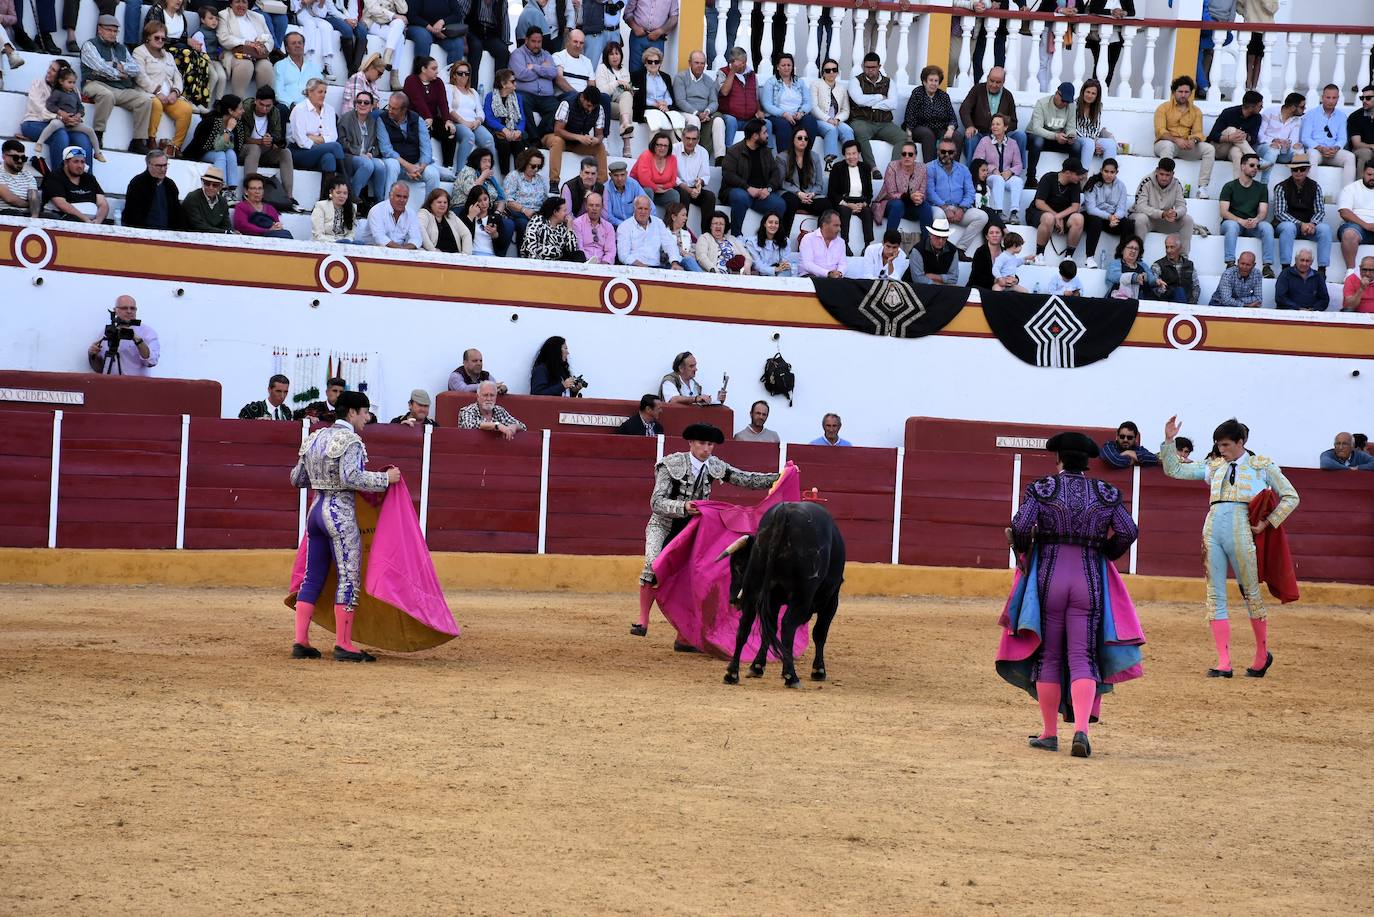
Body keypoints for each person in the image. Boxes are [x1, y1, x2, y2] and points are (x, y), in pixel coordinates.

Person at [1003, 431, 1141, 759]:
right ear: (1088, 462)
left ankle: (1050, 733)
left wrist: (1025, 552)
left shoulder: (1042, 488)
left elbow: (1020, 526)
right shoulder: (1106, 492)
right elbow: (1128, 531)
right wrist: (1105, 552)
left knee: (1049, 655)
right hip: (1088, 577)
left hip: (1050, 575)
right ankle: (1081, 730)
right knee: (1083, 656)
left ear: (1058, 459)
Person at [1161, 415, 1298, 678]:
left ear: (1240, 442)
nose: (1220, 450)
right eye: (1218, 445)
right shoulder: (1214, 466)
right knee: (1214, 594)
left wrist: (1268, 522)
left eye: (1225, 445)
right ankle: (1224, 662)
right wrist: (1168, 441)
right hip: (1212, 527)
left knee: (1250, 592)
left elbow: (1292, 496)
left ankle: (1261, 656)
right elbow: (1175, 470)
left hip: (1242, 529)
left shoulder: (1262, 465)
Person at [632, 421, 778, 639]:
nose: (707, 449)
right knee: (653, 566)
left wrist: (778, 478)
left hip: (693, 529)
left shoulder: (714, 465)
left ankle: (685, 635)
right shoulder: (670, 464)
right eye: (702, 443)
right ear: (691, 443)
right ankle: (643, 620)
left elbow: (745, 478)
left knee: (695, 576)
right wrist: (683, 507)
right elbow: (656, 502)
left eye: (710, 444)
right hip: (663, 524)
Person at [288, 389, 402, 662]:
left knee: (312, 576)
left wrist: (321, 478)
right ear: (352, 412)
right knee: (348, 577)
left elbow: (297, 479)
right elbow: (352, 477)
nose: (367, 418)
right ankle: (343, 644)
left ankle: (301, 641)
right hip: (339, 515)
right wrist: (386, 479)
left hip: (315, 512)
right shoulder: (351, 441)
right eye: (364, 413)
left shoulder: (314, 438)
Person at [80, 15, 154, 156]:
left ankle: (138, 141)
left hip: (120, 88)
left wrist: (120, 67)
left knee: (145, 100)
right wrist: (119, 72)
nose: (113, 34)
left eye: (115, 31)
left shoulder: (121, 48)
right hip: (95, 83)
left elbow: (135, 68)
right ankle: (98, 134)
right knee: (106, 95)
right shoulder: (89, 45)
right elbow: (100, 67)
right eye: (109, 30)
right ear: (99, 29)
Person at [20, 61, 94, 170]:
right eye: (50, 68)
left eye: (53, 70)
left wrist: (76, 117)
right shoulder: (38, 84)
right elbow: (40, 110)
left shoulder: (72, 90)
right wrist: (60, 117)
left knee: (83, 138)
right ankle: (59, 178)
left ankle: (87, 181)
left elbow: (78, 107)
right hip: (34, 122)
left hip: (65, 125)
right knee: (60, 134)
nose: (48, 71)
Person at [1153, 75, 1214, 199]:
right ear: (1174, 92)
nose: (1183, 95)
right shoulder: (1163, 108)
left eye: (1186, 92)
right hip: (1165, 144)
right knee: (1168, 146)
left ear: (1191, 93)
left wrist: (1193, 140)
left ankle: (1202, 187)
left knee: (1209, 149)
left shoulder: (1196, 111)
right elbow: (1161, 131)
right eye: (1180, 91)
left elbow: (1198, 132)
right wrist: (1176, 140)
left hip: (1186, 146)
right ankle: (1163, 186)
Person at [847, 53, 906, 178]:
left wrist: (870, 104)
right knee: (859, 133)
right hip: (862, 121)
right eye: (867, 67)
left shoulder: (889, 82)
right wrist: (880, 97)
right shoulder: (855, 81)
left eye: (873, 67)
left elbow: (893, 104)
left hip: (885, 123)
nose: (870, 70)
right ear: (863, 66)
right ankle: (873, 169)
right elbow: (859, 100)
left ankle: (893, 170)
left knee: (903, 137)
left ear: (879, 66)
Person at [1271, 152, 1330, 276]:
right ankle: (1285, 267)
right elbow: (1280, 213)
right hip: (1288, 226)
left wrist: (1312, 224)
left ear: (1308, 170)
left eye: (1302, 169)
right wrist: (1300, 224)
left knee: (1325, 229)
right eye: (1294, 169)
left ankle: (1322, 269)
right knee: (1288, 226)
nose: (1298, 172)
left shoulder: (1315, 187)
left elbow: (1320, 211)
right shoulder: (1281, 187)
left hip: (1308, 227)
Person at [928, 137, 988, 258]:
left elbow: (970, 192)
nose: (946, 154)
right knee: (939, 217)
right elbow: (929, 192)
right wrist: (945, 208)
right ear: (938, 151)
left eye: (950, 152)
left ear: (955, 153)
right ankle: (939, 249)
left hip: (959, 207)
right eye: (943, 151)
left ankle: (960, 249)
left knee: (982, 216)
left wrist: (962, 208)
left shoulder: (963, 169)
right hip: (939, 206)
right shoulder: (929, 167)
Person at [1219, 152, 1275, 277]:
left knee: (1267, 227)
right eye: (1252, 165)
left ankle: (1267, 266)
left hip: (1251, 224)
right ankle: (1230, 263)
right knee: (1232, 226)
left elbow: (1263, 212)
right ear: (1242, 166)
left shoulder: (1261, 188)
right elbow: (1223, 212)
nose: (1255, 168)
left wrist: (1256, 219)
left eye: (1257, 166)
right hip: (1233, 223)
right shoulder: (1229, 186)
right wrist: (1240, 221)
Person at [378, 91, 441, 199]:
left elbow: (426, 148)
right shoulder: (382, 119)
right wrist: (408, 166)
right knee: (392, 165)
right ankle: (387, 205)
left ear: (404, 110)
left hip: (416, 165)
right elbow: (386, 149)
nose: (390, 110)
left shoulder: (417, 119)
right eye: (389, 106)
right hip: (397, 164)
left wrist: (419, 168)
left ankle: (428, 212)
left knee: (433, 174)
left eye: (394, 108)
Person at [240, 87, 296, 208]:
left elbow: (277, 134)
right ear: (255, 101)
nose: (264, 109)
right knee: (254, 149)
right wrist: (261, 141)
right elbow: (242, 138)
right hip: (245, 149)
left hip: (264, 150)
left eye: (268, 106)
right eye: (261, 104)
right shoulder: (245, 110)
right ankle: (247, 193)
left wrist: (273, 141)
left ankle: (289, 196)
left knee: (285, 152)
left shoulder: (275, 112)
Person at [960, 66, 1025, 168]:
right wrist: (969, 126)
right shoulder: (977, 89)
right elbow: (964, 109)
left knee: (1021, 136)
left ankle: (1016, 169)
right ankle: (972, 172)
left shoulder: (1008, 95)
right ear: (987, 78)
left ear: (1003, 82)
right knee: (970, 138)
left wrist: (1002, 129)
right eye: (991, 81)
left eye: (998, 82)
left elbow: (1014, 121)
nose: (994, 85)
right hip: (980, 133)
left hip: (1002, 136)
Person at [547, 86, 609, 193]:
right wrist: (579, 137)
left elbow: (600, 134)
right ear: (582, 98)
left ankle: (601, 185)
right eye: (589, 105)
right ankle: (554, 182)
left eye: (593, 107)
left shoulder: (599, 109)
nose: (590, 109)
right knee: (558, 141)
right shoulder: (567, 103)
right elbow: (557, 130)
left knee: (600, 146)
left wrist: (596, 140)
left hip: (576, 142)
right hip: (552, 136)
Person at [37, 63, 103, 163]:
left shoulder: (74, 94)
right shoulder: (57, 93)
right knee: (53, 124)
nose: (72, 85)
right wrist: (60, 113)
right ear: (61, 81)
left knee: (89, 130)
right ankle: (39, 143)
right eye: (69, 82)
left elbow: (80, 107)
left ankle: (97, 153)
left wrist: (78, 115)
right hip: (62, 121)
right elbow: (50, 105)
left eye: (74, 82)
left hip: (73, 123)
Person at [184, 94, 246, 196]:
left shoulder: (238, 124)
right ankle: (222, 188)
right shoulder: (211, 122)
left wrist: (228, 135)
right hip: (202, 152)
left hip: (221, 151)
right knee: (221, 154)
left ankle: (232, 190)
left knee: (230, 153)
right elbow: (215, 147)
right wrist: (228, 130)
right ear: (230, 111)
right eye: (240, 109)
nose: (243, 111)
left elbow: (236, 148)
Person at [1130, 158, 1195, 255]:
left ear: (1173, 174)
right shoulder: (1146, 181)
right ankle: (1138, 256)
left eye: (1167, 175)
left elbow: (1182, 206)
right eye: (1161, 174)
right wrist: (1162, 214)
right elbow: (1140, 206)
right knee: (1140, 218)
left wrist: (1175, 213)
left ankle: (1183, 258)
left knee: (1188, 220)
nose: (1164, 178)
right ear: (1157, 171)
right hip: (1148, 219)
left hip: (1165, 220)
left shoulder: (1177, 184)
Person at [511, 27, 565, 141]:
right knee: (521, 101)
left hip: (546, 96)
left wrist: (535, 67)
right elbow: (521, 74)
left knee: (557, 107)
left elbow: (553, 73)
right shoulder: (517, 54)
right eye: (533, 41)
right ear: (526, 40)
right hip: (526, 94)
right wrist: (543, 69)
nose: (536, 45)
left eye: (539, 42)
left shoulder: (546, 55)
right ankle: (533, 138)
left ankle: (539, 136)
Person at [1028, 158, 1086, 264]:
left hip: (1061, 215)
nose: (1081, 177)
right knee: (1049, 218)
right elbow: (1039, 203)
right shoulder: (1048, 178)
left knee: (1079, 218)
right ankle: (1039, 254)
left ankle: (1068, 257)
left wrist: (1059, 216)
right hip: (1039, 213)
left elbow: (1075, 207)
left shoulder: (1075, 183)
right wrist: (1056, 216)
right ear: (1068, 172)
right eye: (1078, 174)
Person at [217, 0, 276, 101]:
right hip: (235, 53)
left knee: (266, 67)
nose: (241, 5)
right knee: (245, 65)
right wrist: (246, 42)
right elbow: (223, 38)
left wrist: (263, 46)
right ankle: (238, 102)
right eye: (237, 2)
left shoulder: (258, 17)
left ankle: (264, 103)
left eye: (244, 2)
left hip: (257, 54)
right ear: (231, 4)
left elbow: (269, 38)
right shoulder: (223, 15)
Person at [761, 53, 818, 155]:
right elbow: (767, 105)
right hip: (778, 116)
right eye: (783, 65)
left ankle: (805, 154)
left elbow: (808, 102)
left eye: (789, 65)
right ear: (778, 67)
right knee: (783, 125)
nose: (786, 68)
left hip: (797, 116)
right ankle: (785, 159)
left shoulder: (799, 82)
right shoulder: (771, 82)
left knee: (810, 121)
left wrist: (801, 112)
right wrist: (784, 114)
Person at [287, 78, 345, 178]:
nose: (323, 95)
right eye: (320, 92)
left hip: (319, 150)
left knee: (329, 158)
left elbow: (333, 136)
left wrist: (314, 138)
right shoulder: (299, 110)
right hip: (299, 152)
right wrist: (322, 143)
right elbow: (301, 141)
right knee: (335, 147)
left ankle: (327, 192)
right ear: (310, 92)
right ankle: (346, 183)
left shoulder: (330, 110)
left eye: (325, 92)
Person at [404, 55, 455, 168]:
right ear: (423, 69)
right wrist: (427, 117)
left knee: (449, 131)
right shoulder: (411, 80)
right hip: (413, 117)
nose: (437, 71)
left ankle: (448, 167)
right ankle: (423, 162)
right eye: (433, 68)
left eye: (437, 68)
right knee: (424, 128)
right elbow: (418, 100)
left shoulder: (438, 83)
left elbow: (443, 103)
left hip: (432, 118)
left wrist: (447, 120)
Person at [1302, 83, 1356, 189]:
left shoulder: (1341, 116)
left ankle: (1346, 194)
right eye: (1328, 97)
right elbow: (1305, 138)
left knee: (1350, 157)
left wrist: (1335, 148)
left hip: (1333, 151)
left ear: (1338, 99)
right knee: (1312, 155)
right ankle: (1312, 193)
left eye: (1334, 98)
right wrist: (1320, 148)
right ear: (1322, 97)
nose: (1331, 101)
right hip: (1317, 150)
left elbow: (1342, 138)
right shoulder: (1311, 114)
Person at [87, 295, 158, 375]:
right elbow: (99, 369)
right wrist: (93, 355)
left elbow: (152, 362)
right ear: (115, 310)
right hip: (109, 384)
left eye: (132, 308)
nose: (129, 311)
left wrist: (137, 340)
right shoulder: (106, 332)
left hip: (135, 385)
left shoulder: (147, 332)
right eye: (124, 308)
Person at [874, 140, 932, 237]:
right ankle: (889, 240)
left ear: (915, 156)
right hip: (890, 205)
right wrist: (909, 197)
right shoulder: (892, 166)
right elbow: (891, 193)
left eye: (910, 154)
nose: (907, 157)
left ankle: (927, 245)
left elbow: (923, 191)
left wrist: (919, 198)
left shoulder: (922, 168)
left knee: (926, 207)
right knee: (898, 204)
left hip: (911, 206)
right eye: (904, 154)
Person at [826, 139, 874, 254]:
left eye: (854, 153)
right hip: (844, 201)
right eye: (848, 154)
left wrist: (863, 204)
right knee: (844, 211)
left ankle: (867, 245)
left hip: (860, 201)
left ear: (859, 154)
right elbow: (832, 192)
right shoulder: (837, 168)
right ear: (844, 155)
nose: (851, 157)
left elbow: (869, 193)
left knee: (867, 212)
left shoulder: (865, 168)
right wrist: (848, 204)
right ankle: (844, 244)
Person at [974, 114, 1024, 224]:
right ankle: (999, 211)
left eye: (998, 124)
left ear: (1005, 127)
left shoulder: (1012, 143)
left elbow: (1019, 164)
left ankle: (1014, 213)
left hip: (1006, 176)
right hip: (990, 176)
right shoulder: (985, 141)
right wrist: (992, 169)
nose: (994, 127)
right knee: (998, 179)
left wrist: (1010, 171)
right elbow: (977, 161)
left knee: (1018, 181)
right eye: (993, 124)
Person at [339, 89, 388, 204]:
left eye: (366, 103)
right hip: (349, 156)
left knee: (380, 166)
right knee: (368, 165)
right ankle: (352, 197)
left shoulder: (373, 121)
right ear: (355, 104)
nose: (362, 105)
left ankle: (378, 202)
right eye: (359, 102)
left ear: (371, 106)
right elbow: (341, 142)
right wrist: (359, 153)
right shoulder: (346, 118)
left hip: (367, 156)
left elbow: (377, 144)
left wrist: (372, 153)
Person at [446, 60, 493, 174]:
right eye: (460, 73)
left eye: (466, 73)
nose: (464, 76)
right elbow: (449, 109)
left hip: (474, 123)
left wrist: (477, 121)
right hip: (457, 122)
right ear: (454, 75)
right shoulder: (449, 88)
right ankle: (460, 173)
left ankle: (487, 173)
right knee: (469, 136)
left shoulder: (473, 91)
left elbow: (480, 112)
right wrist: (463, 122)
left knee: (489, 140)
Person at [903, 65, 957, 164]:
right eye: (931, 80)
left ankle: (950, 167)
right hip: (920, 128)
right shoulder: (918, 93)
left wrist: (950, 129)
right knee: (928, 135)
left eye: (936, 81)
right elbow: (909, 116)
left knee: (957, 136)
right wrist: (909, 135)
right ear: (924, 82)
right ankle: (930, 168)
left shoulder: (943, 96)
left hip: (940, 128)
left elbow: (952, 117)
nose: (933, 83)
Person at [1025, 82, 1076, 186]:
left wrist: (1071, 135)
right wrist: (1055, 136)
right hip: (1035, 137)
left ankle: (1072, 179)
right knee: (1038, 141)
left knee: (1077, 145)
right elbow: (1037, 128)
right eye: (1063, 100)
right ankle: (1030, 179)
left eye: (1068, 101)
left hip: (1057, 138)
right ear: (1057, 93)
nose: (1065, 103)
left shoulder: (1071, 106)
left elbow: (1071, 126)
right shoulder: (1042, 103)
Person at [41, 146, 108, 224]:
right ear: (66, 163)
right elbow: (61, 204)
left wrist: (98, 221)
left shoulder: (90, 178)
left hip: (92, 223)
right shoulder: (54, 177)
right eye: (76, 162)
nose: (80, 166)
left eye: (82, 162)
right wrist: (85, 219)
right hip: (62, 221)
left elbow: (103, 204)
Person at [122, 149, 185, 231]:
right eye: (159, 166)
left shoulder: (170, 185)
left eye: (165, 165)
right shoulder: (138, 183)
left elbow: (177, 214)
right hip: (142, 233)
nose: (163, 169)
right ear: (148, 164)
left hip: (168, 234)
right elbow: (133, 214)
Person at [1081, 158, 1127, 269]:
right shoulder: (1092, 182)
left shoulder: (1121, 186)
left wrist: (1115, 218)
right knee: (1096, 220)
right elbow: (1091, 209)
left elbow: (1121, 208)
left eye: (1112, 172)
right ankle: (1090, 257)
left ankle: (1121, 258)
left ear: (1117, 172)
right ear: (1101, 170)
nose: (1109, 175)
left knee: (1128, 224)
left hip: (1110, 218)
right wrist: (1109, 217)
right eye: (1106, 171)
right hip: (1091, 216)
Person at [808, 57, 853, 169]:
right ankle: (830, 162)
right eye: (828, 70)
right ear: (823, 72)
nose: (831, 72)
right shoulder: (815, 84)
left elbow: (846, 110)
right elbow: (813, 107)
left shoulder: (841, 88)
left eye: (834, 70)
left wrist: (837, 119)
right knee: (831, 129)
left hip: (836, 120)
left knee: (848, 130)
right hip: (820, 120)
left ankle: (851, 161)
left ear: (837, 72)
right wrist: (828, 119)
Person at [1207, 89, 1263, 176]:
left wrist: (1246, 136)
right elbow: (1213, 135)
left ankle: (1239, 185)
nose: (1261, 108)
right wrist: (1229, 138)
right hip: (1219, 149)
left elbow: (1254, 139)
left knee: (1237, 153)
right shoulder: (1228, 113)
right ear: (1252, 107)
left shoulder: (1257, 118)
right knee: (1232, 130)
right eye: (1260, 106)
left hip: (1233, 150)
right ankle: (1256, 159)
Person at [617, 194, 680, 268]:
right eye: (640, 208)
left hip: (656, 267)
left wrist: (674, 262)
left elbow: (669, 243)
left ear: (650, 210)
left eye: (646, 209)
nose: (643, 212)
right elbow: (623, 255)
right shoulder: (624, 226)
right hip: (634, 267)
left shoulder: (658, 223)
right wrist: (641, 266)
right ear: (634, 209)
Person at [673, 126, 717, 232]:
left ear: (698, 139)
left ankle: (706, 235)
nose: (690, 142)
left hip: (694, 188)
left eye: (694, 139)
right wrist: (688, 189)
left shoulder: (703, 152)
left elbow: (705, 175)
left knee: (710, 196)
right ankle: (682, 232)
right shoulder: (674, 149)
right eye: (688, 138)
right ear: (682, 137)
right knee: (683, 194)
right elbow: (672, 175)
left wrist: (699, 183)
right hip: (678, 186)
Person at [596, 42, 636, 157]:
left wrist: (630, 90)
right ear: (606, 56)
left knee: (628, 95)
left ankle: (625, 124)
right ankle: (627, 145)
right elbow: (601, 92)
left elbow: (625, 92)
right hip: (606, 105)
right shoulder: (602, 68)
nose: (615, 57)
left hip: (621, 105)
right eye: (611, 54)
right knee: (627, 110)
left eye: (617, 53)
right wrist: (617, 83)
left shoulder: (624, 70)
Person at [1257, 91, 1306, 182]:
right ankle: (1264, 183)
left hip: (1283, 152)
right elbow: (1259, 135)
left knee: (1299, 151)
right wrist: (1273, 141)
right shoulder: (1270, 112)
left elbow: (1293, 141)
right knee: (1273, 150)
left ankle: (1299, 184)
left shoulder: (1297, 120)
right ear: (1292, 108)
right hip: (1264, 148)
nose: (1304, 109)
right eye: (1302, 107)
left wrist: (1289, 144)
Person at [503, 147, 549, 242]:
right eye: (533, 166)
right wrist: (524, 210)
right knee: (525, 225)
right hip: (518, 214)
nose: (536, 169)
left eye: (538, 166)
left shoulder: (540, 180)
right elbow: (508, 201)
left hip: (536, 214)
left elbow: (545, 200)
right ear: (524, 163)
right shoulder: (513, 176)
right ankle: (524, 255)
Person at [358, 181, 422, 248]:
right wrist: (401, 249)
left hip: (400, 252)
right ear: (390, 195)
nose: (402, 200)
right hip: (372, 250)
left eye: (405, 197)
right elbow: (380, 238)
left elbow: (417, 239)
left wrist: (403, 249)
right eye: (398, 196)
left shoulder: (411, 213)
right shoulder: (377, 210)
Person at [1337, 163, 1374, 278]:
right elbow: (1344, 212)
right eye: (1369, 174)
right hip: (1356, 226)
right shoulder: (1351, 188)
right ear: (1363, 172)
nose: (1372, 177)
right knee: (1349, 234)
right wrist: (1366, 225)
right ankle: (1350, 272)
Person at [521, 195, 585, 261]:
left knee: (579, 254)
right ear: (555, 212)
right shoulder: (537, 221)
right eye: (564, 210)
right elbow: (530, 245)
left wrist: (570, 228)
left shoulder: (562, 227)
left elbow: (572, 249)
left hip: (557, 261)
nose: (566, 214)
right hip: (538, 260)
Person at [1072, 77, 1115, 172]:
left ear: (1097, 96)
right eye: (1088, 92)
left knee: (1111, 143)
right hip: (1077, 138)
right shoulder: (1075, 104)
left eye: (1093, 93)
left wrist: (1095, 142)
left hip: (1091, 139)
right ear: (1083, 91)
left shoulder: (1098, 106)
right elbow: (1074, 127)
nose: (1090, 95)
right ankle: (1083, 174)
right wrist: (1093, 143)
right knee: (1089, 142)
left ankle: (1107, 175)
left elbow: (1095, 128)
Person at [361, 0, 407, 89]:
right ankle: (394, 77)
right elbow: (372, 9)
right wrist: (393, 15)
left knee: (400, 23)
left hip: (388, 23)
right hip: (372, 22)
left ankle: (387, 56)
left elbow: (403, 10)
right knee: (400, 38)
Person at [459, 380, 526, 438]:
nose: (489, 399)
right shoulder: (467, 411)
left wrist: (513, 427)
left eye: (492, 395)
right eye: (485, 395)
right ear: (478, 396)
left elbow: (522, 426)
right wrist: (497, 425)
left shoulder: (499, 410)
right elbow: (470, 425)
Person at [404, 0, 465, 64]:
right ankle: (420, 72)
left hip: (441, 31)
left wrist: (442, 22)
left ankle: (452, 73)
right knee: (423, 38)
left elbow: (457, 15)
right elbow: (411, 15)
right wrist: (432, 29)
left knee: (458, 43)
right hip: (420, 26)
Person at [631, 129, 679, 209]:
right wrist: (656, 188)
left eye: (665, 146)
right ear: (654, 145)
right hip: (640, 190)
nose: (662, 148)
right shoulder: (646, 155)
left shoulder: (672, 159)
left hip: (660, 192)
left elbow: (673, 181)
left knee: (674, 194)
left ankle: (669, 221)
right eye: (659, 145)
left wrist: (663, 187)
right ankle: (646, 220)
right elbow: (644, 181)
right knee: (648, 190)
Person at [272, 30, 321, 109]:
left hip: (310, 106)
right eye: (293, 43)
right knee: (281, 110)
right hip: (288, 106)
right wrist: (292, 105)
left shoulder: (313, 67)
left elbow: (320, 88)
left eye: (300, 43)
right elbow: (278, 92)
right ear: (287, 49)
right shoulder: (280, 66)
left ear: (303, 45)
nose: (297, 45)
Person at [233, 173, 292, 237]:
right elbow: (242, 226)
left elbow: (276, 226)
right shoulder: (241, 206)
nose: (257, 192)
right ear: (246, 191)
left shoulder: (270, 209)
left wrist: (278, 226)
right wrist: (267, 231)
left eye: (260, 188)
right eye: (253, 188)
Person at [624, 0, 677, 71]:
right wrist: (635, 27)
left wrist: (660, 31)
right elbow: (627, 13)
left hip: (657, 39)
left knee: (653, 70)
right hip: (638, 38)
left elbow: (674, 17)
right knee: (635, 71)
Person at [1106, 235, 1163, 300]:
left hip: (1144, 300)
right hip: (1120, 300)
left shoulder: (1143, 265)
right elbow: (1114, 276)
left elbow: (1151, 279)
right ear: (1122, 250)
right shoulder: (1115, 263)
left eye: (1136, 249)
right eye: (1130, 248)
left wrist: (1156, 281)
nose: (1133, 251)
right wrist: (1134, 277)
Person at [419, 186, 473, 253]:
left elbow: (466, 233)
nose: (442, 205)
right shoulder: (424, 213)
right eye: (439, 202)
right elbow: (420, 229)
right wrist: (433, 250)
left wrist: (465, 255)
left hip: (455, 257)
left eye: (445, 202)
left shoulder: (451, 215)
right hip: (434, 257)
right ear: (431, 203)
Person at [908, 216, 959, 286]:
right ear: (930, 235)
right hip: (917, 290)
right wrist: (939, 283)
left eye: (944, 238)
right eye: (937, 237)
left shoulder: (953, 250)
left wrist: (933, 276)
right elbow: (918, 279)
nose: (940, 241)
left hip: (943, 290)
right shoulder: (917, 250)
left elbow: (954, 279)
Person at [745, 212, 800, 277]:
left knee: (787, 271)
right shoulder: (752, 242)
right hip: (760, 274)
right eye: (770, 222)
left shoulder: (785, 241)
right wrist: (775, 269)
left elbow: (784, 261)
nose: (773, 225)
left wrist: (784, 266)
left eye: (776, 223)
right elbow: (758, 265)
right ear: (764, 224)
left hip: (779, 272)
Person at [694, 210, 748, 274]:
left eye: (721, 224)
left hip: (735, 276)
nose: (718, 226)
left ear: (725, 226)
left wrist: (747, 266)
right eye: (715, 223)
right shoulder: (705, 238)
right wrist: (714, 270)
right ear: (710, 226)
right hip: (714, 275)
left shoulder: (732, 239)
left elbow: (747, 257)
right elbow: (701, 257)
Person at [660, 351, 725, 405]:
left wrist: (718, 401)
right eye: (691, 366)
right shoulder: (669, 381)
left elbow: (700, 406)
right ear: (681, 368)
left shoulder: (695, 384)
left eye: (695, 365)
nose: (695, 369)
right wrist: (696, 398)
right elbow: (673, 400)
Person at [1151, 234, 1200, 305]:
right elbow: (1154, 286)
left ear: (1179, 248)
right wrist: (1163, 291)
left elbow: (1196, 287)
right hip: (1167, 303)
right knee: (1179, 291)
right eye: (1167, 247)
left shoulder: (1189, 264)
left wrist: (1192, 303)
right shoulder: (1158, 265)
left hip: (1188, 303)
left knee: (1181, 292)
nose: (1168, 250)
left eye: (1172, 247)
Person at [182, 164, 232, 232]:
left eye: (215, 185)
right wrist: (224, 232)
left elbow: (226, 225)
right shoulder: (192, 197)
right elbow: (198, 226)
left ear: (220, 187)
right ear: (203, 183)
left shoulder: (223, 201)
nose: (210, 187)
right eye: (207, 183)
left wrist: (228, 232)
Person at [571, 191, 617, 264]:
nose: (594, 208)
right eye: (591, 205)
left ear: (602, 207)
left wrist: (604, 263)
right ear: (586, 206)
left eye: (597, 205)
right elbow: (579, 248)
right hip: (584, 263)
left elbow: (610, 252)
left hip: (603, 265)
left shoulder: (608, 227)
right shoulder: (577, 223)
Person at [311, 175, 360, 243]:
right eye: (338, 193)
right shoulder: (321, 206)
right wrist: (336, 242)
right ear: (331, 192)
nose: (342, 196)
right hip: (325, 243)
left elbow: (351, 234)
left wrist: (347, 241)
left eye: (345, 193)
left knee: (359, 243)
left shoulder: (352, 207)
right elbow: (318, 235)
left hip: (345, 243)